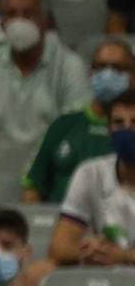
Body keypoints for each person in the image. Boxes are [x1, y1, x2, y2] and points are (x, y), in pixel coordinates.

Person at [0, 0, 89, 144]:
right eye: (12, 14)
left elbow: (76, 133)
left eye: (28, 14)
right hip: (0, 161)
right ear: (2, 23)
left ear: (45, 21)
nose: (19, 21)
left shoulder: (70, 65)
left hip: (51, 162)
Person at [22, 39, 135, 203]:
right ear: (91, 73)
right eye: (100, 67)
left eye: (118, 68)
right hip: (61, 222)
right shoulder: (63, 123)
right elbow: (32, 187)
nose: (108, 74)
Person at [49, 85, 135, 264]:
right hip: (105, 276)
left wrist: (125, 256)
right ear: (109, 130)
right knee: (41, 269)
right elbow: (59, 247)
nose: (127, 130)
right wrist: (93, 251)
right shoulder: (90, 172)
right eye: (119, 123)